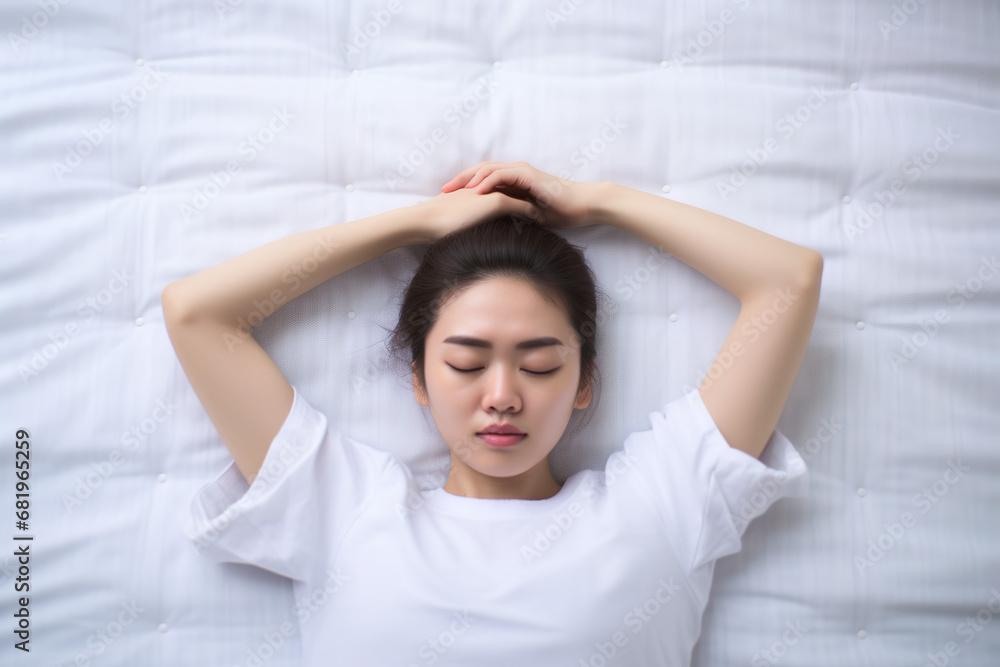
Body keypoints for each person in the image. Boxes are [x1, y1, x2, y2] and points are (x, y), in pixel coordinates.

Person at [164, 161, 822, 666]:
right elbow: (198, 314)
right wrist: (414, 223)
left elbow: (788, 281)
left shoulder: (661, 503)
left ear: (586, 381)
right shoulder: (343, 506)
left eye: (539, 365)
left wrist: (599, 201)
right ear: (418, 379)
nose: (503, 394)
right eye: (466, 363)